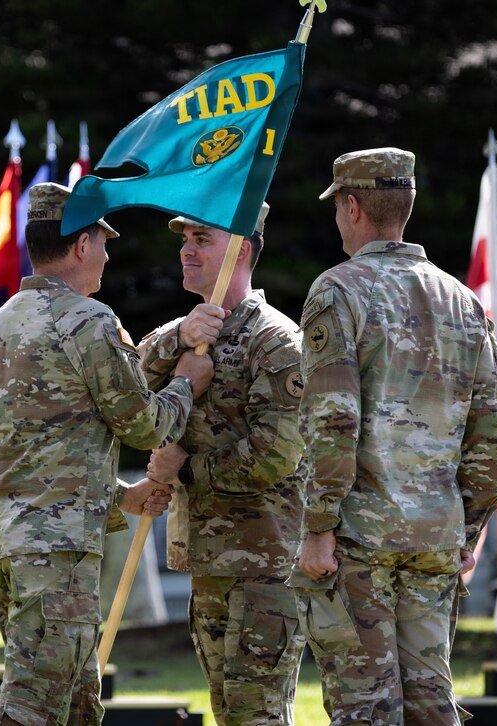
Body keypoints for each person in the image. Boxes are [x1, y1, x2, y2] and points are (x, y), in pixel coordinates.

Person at [0, 182, 214, 726]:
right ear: (81, 245)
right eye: (103, 243)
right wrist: (184, 382)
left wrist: (120, 498)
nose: (107, 256)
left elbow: (39, 449)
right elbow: (144, 425)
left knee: (77, 702)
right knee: (32, 704)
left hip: (13, 538)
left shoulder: (0, 324)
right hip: (55, 550)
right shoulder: (87, 321)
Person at [291, 148, 497, 726]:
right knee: (432, 700)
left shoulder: (338, 291)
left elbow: (333, 421)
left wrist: (317, 529)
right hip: (436, 534)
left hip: (359, 538)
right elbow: (488, 433)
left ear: (353, 207)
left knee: (367, 707)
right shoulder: (463, 301)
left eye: (338, 207)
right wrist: (472, 523)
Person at [138, 202, 307, 725]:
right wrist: (178, 338)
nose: (187, 249)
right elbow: (124, 387)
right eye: (184, 238)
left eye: (202, 238)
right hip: (209, 563)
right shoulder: (187, 331)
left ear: (242, 249)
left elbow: (276, 455)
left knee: (255, 716)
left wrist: (184, 468)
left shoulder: (277, 342)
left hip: (264, 566)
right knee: (225, 712)